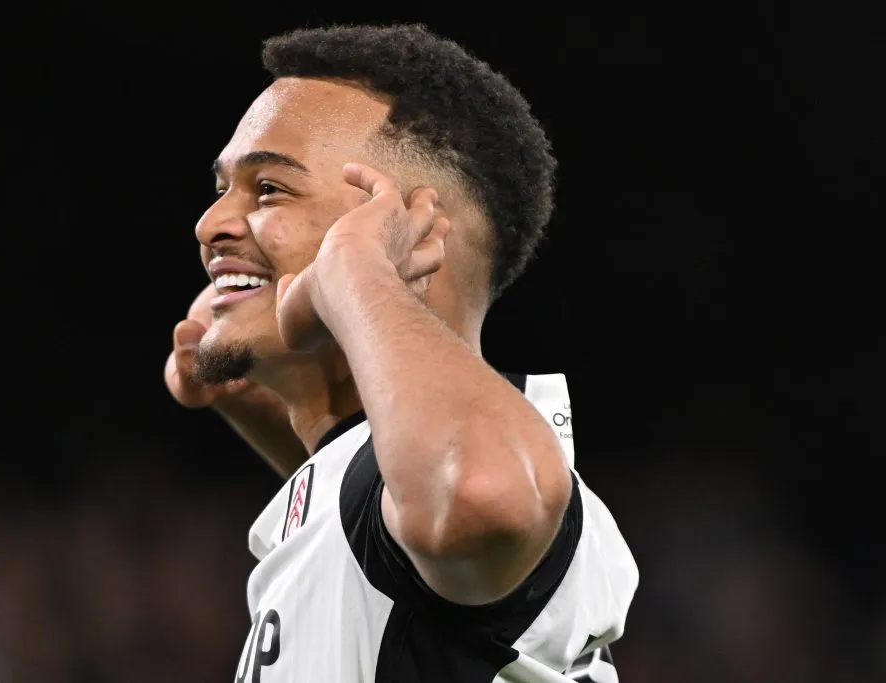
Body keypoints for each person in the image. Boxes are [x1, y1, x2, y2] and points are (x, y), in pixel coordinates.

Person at [164, 23, 638, 683]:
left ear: (409, 228)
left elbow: (476, 495)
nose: (209, 223)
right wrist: (270, 399)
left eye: (269, 188)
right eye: (223, 189)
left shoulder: (487, 460)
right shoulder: (376, 491)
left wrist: (358, 271)